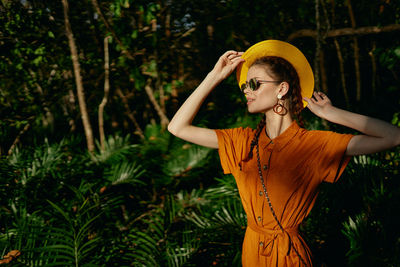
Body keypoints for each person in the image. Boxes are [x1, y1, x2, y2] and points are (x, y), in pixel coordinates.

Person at [167, 40, 400, 266]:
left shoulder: (314, 145)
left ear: (282, 88)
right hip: (251, 253)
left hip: (290, 256)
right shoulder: (242, 141)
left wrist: (333, 114)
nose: (247, 90)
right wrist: (213, 77)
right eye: (244, 86)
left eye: (255, 84)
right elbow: (177, 127)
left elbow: (394, 137)